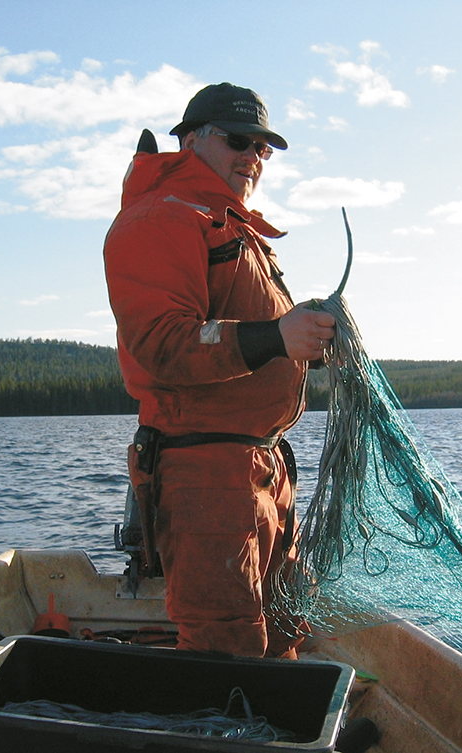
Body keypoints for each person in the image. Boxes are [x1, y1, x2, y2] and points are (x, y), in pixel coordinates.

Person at [103, 82, 335, 658]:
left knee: (286, 628)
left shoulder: (234, 226)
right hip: (206, 475)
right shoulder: (160, 218)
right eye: (239, 141)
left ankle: (283, 737)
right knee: (225, 649)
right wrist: (276, 336)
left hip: (264, 469)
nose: (252, 158)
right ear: (191, 141)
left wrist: (301, 339)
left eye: (263, 149)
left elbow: (258, 335)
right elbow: (164, 343)